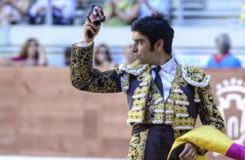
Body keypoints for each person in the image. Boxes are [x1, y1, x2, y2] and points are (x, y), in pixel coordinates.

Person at [70, 14, 225, 160]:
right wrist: (87, 40)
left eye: (140, 42)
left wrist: (197, 144)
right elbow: (83, 80)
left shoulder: (194, 79)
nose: (133, 49)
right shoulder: (131, 75)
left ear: (158, 44)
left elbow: (215, 123)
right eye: (134, 42)